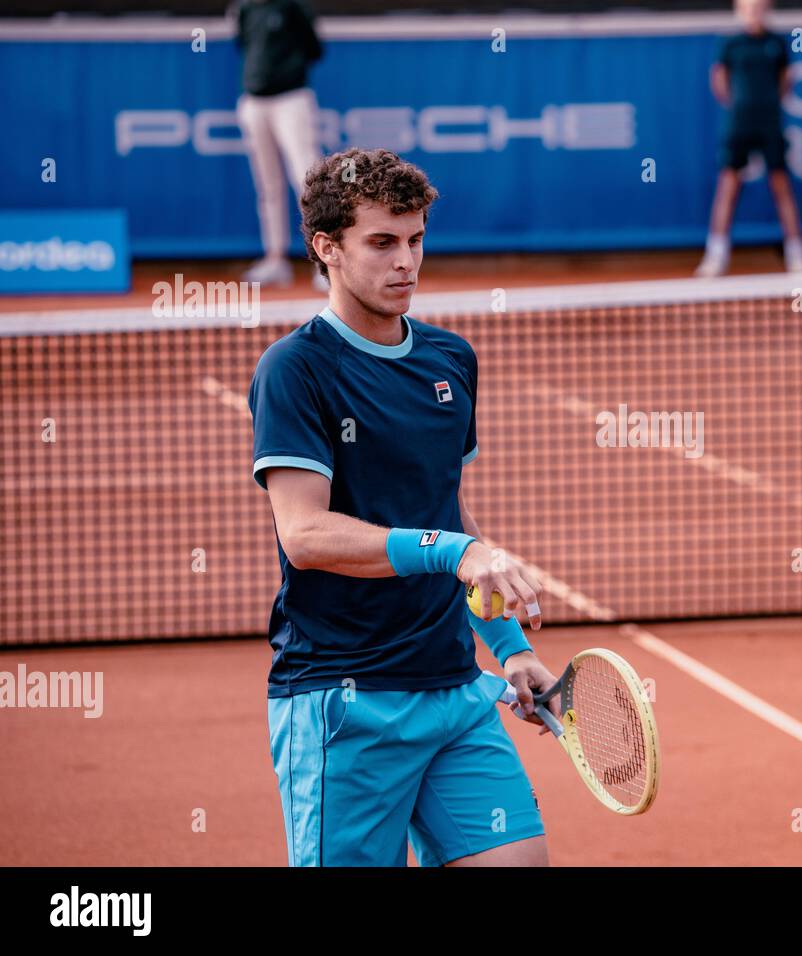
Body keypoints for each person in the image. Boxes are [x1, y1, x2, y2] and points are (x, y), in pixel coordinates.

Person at [247, 147, 559, 866]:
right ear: (327, 248)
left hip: (453, 690)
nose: (406, 263)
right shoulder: (296, 371)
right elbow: (305, 534)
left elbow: (446, 510)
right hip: (344, 703)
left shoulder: (450, 360)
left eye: (415, 240)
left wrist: (511, 650)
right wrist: (457, 554)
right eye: (382, 242)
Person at [696, 0, 802, 278]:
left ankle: (797, 254)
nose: (754, 12)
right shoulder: (730, 44)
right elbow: (720, 81)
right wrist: (741, 106)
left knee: (781, 185)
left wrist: (767, 105)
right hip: (739, 125)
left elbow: (786, 80)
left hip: (770, 125)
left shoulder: (778, 44)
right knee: (728, 186)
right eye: (749, 7)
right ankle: (716, 255)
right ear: (739, 9)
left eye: (759, 6)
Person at [233, 0, 328, 291]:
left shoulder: (294, 7)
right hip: (253, 102)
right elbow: (244, 46)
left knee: (307, 181)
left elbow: (314, 49)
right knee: (268, 184)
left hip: (292, 101)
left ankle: (324, 265)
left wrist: (285, 69)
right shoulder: (245, 9)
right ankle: (275, 259)